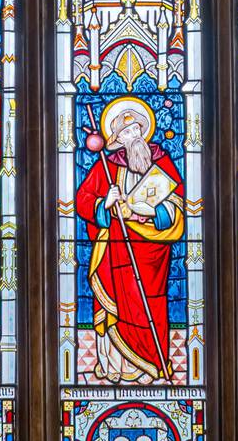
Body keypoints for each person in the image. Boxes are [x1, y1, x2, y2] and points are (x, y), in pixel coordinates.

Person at [76, 99, 184, 384]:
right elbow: (83, 200)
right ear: (116, 140)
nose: (132, 135)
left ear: (144, 130)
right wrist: (104, 203)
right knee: (119, 304)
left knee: (152, 304)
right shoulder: (108, 166)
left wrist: (150, 213)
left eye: (136, 128)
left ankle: (152, 363)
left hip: (154, 251)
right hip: (117, 250)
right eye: (125, 132)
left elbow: (177, 203)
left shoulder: (161, 161)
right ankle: (117, 367)